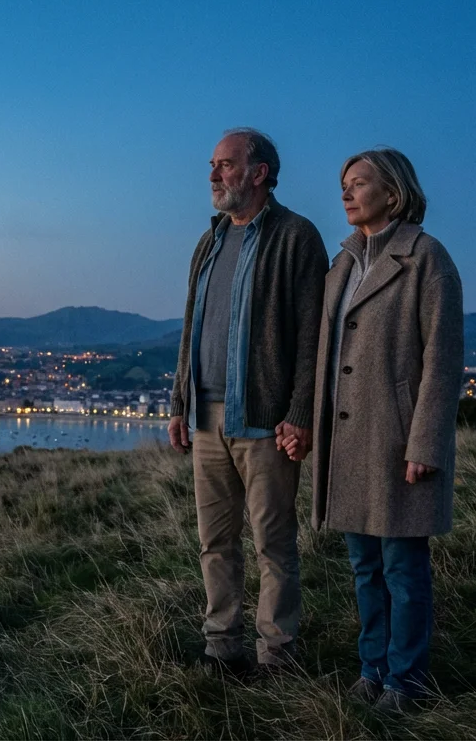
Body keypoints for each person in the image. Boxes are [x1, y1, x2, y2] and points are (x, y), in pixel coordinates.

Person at [280, 147, 463, 713]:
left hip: (397, 441)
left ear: (394, 192)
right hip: (347, 443)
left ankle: (407, 683)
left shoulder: (427, 258)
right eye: (344, 183)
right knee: (365, 568)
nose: (346, 192)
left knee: (403, 570)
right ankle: (372, 670)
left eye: (359, 182)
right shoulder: (343, 264)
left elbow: (442, 361)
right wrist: (307, 424)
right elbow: (323, 353)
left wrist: (425, 442)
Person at [168, 128, 328, 671]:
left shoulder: (296, 236)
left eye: (226, 164)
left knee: (273, 544)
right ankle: (222, 648)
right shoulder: (209, 240)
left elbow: (312, 335)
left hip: (265, 420)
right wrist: (179, 403)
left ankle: (277, 656)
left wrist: (300, 413)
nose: (214, 175)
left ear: (259, 173)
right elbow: (191, 327)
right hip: (206, 417)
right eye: (213, 165)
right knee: (214, 542)